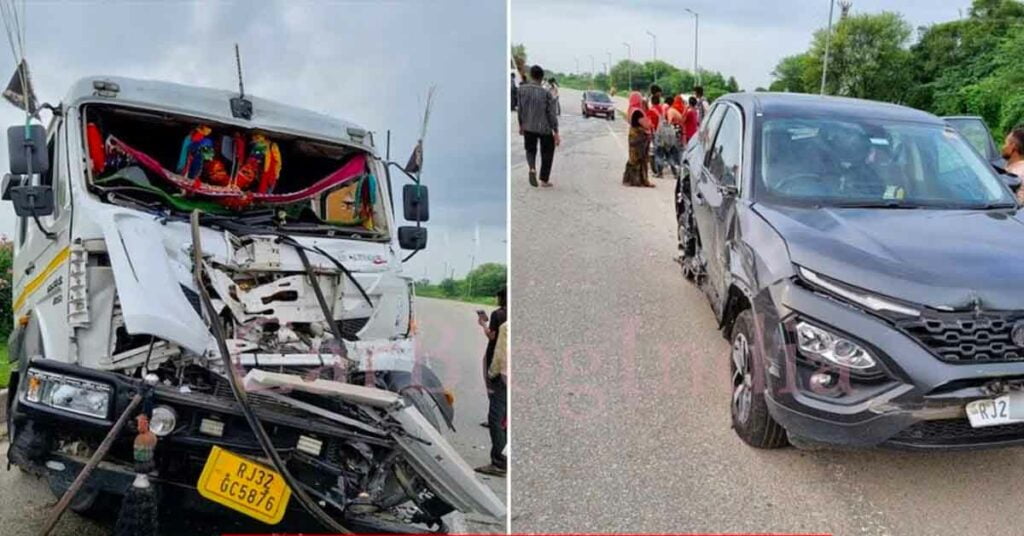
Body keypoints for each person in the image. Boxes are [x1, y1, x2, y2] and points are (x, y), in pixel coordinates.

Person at [475, 287, 508, 477]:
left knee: (495, 416)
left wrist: (483, 325)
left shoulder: (500, 315)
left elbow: (493, 337)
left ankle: (500, 462)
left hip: (500, 368)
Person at [518, 65, 561, 188]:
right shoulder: (546, 93)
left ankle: (532, 168)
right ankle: (544, 179)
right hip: (544, 128)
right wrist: (556, 132)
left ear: (531, 75)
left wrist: (521, 124)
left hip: (528, 126)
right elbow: (551, 114)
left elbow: (520, 109)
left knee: (530, 149)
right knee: (547, 151)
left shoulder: (521, 90)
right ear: (542, 78)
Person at [623, 92, 654, 188]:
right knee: (641, 158)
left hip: (633, 136)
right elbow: (647, 125)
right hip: (640, 138)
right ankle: (640, 180)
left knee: (633, 158)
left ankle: (629, 179)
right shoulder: (638, 112)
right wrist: (650, 124)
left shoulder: (631, 109)